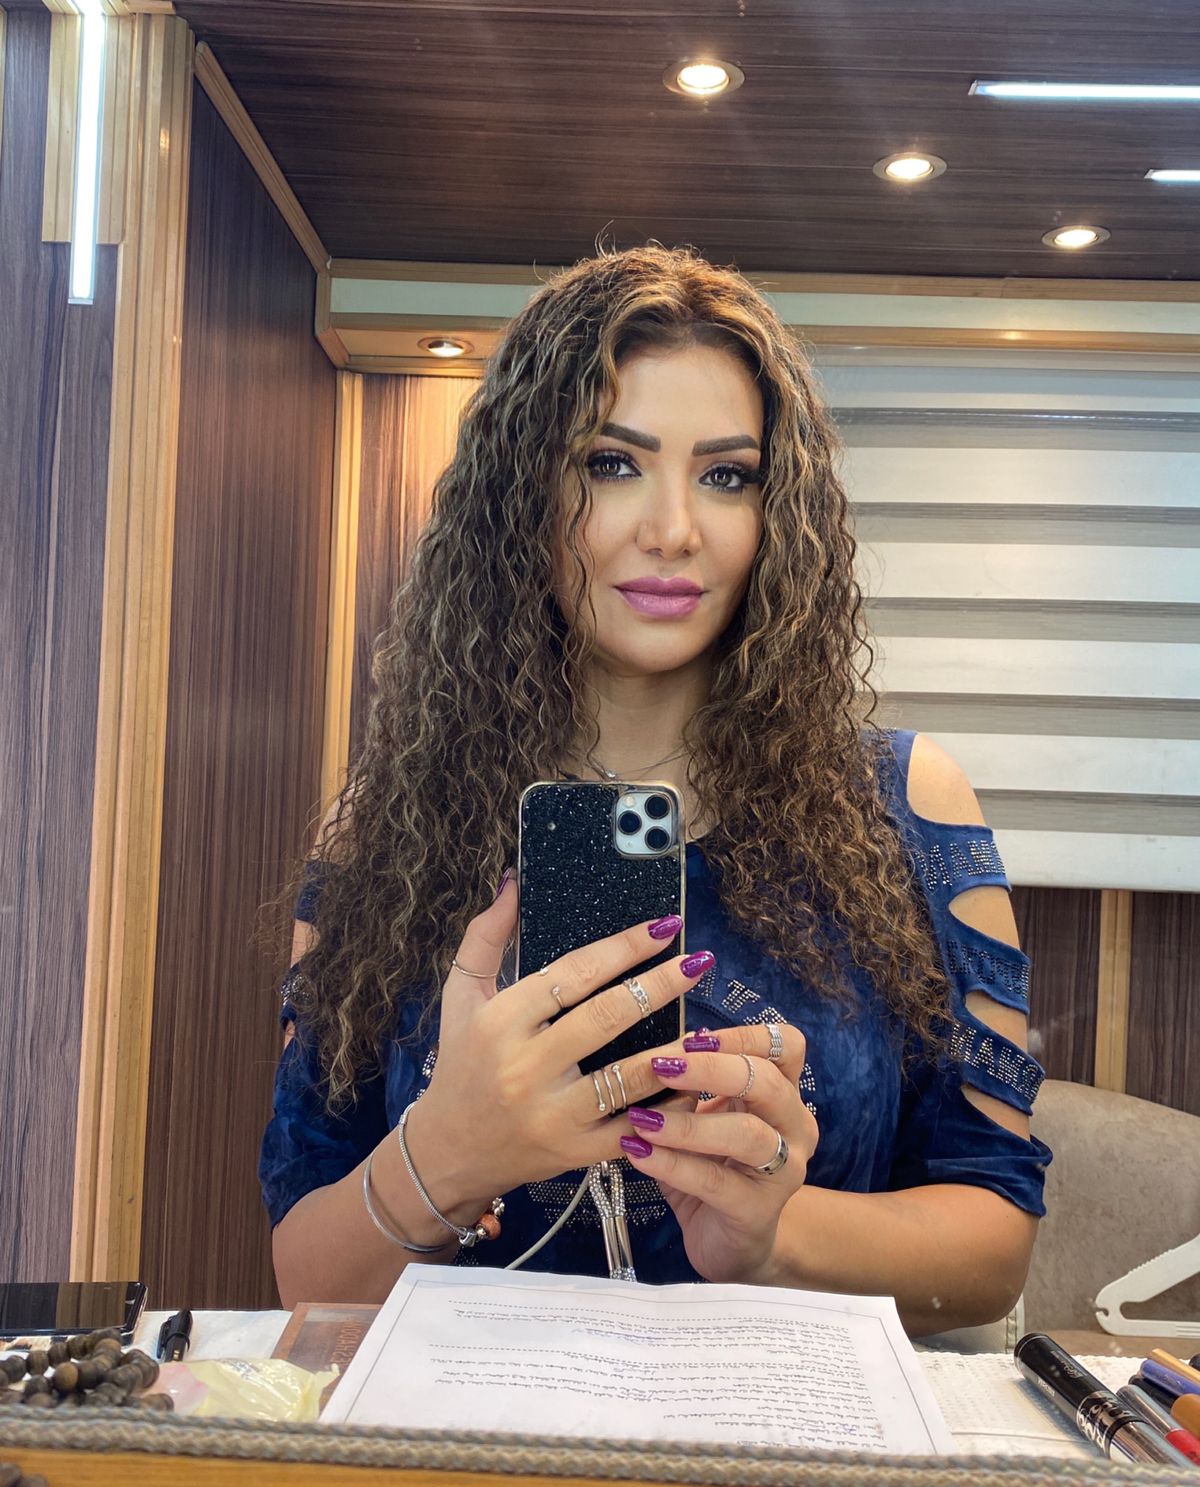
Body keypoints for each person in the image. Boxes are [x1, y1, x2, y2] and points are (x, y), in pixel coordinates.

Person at [260, 244, 1049, 1333]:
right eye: (610, 463)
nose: (674, 528)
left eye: (727, 476)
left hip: (785, 1430)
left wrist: (773, 1239)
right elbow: (305, 1277)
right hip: (471, 1426)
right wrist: (444, 1156)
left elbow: (993, 1240)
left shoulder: (907, 803)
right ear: (522, 497)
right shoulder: (388, 826)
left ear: (777, 517)